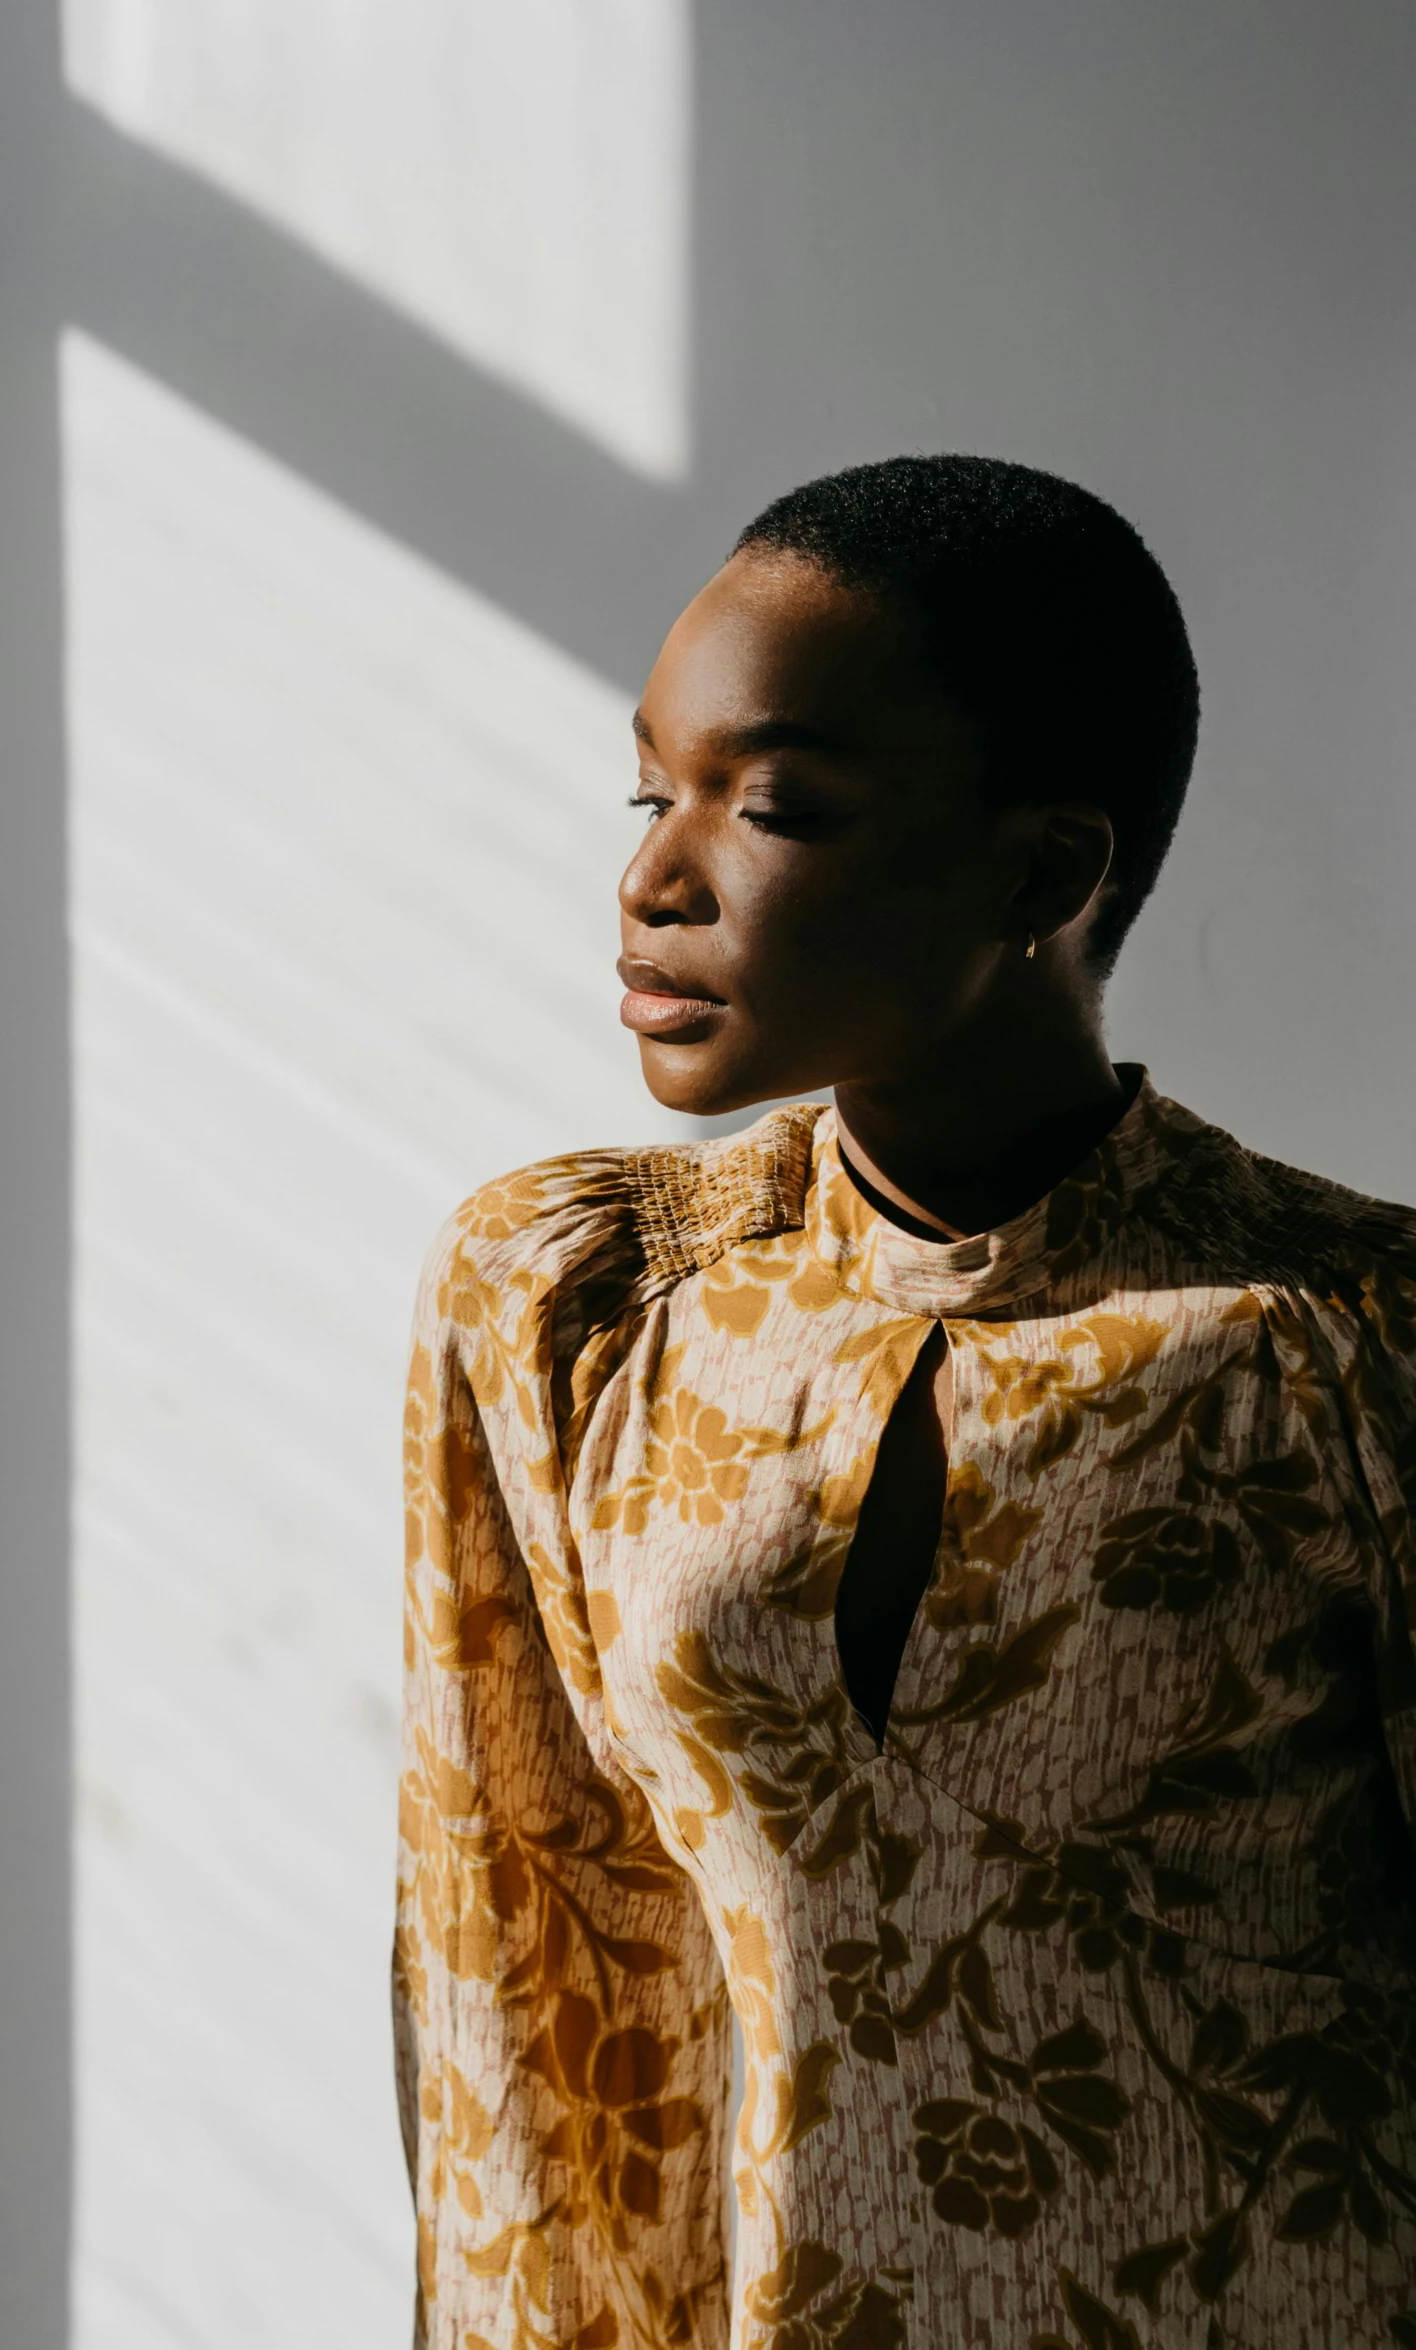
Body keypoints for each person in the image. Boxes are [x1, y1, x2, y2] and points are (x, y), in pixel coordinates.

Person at [393, 457, 1416, 2350]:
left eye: (770, 803)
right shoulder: (581, 1310)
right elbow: (525, 2012)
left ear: (1042, 872)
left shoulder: (1352, 1352)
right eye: (652, 784)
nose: (651, 876)